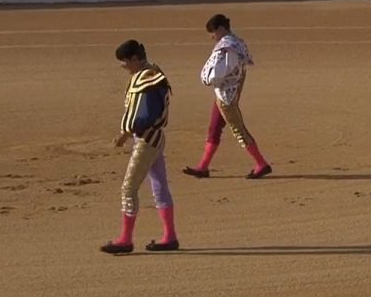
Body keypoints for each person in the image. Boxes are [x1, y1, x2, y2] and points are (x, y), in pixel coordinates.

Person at [102, 40, 179, 254]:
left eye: (124, 61)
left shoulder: (148, 79)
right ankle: (169, 236)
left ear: (135, 59)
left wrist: (131, 129)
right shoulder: (151, 73)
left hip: (147, 140)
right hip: (153, 137)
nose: (122, 65)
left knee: (129, 188)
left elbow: (146, 115)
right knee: (159, 186)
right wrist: (125, 134)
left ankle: (126, 239)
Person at [183, 14, 272, 179]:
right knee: (214, 129)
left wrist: (207, 79)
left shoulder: (227, 47)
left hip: (226, 95)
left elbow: (218, 74)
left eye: (213, 32)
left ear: (221, 28)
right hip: (227, 93)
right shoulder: (237, 43)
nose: (212, 36)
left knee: (238, 129)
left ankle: (261, 163)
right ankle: (203, 167)